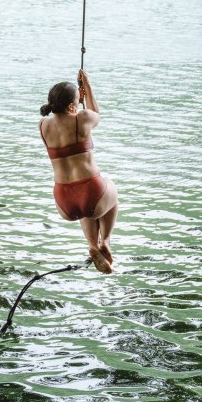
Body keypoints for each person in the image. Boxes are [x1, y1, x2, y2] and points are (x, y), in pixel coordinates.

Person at [39, 69, 118, 274]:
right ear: (72, 105)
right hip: (92, 191)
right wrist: (87, 88)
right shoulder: (82, 118)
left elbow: (69, 119)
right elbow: (96, 115)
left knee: (85, 209)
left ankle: (92, 245)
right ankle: (106, 241)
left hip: (64, 200)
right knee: (111, 191)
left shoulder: (43, 126)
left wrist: (76, 101)